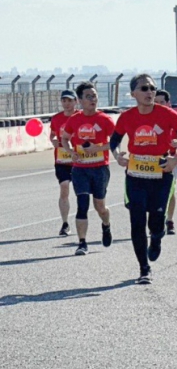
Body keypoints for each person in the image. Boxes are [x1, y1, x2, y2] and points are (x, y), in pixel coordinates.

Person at [110, 74, 177, 284]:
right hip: (136, 175)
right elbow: (114, 141)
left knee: (156, 223)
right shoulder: (127, 117)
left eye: (152, 88)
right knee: (137, 222)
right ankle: (144, 269)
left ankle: (157, 237)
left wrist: (176, 159)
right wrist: (117, 155)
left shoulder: (166, 114)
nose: (149, 92)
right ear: (133, 94)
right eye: (144, 88)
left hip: (161, 174)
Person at [60, 82, 116, 255]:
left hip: (100, 168)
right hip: (80, 168)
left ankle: (106, 225)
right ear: (80, 100)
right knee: (82, 204)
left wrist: (97, 149)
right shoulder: (74, 119)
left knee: (100, 206)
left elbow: (116, 141)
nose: (93, 99)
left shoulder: (104, 119)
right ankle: (82, 243)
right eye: (89, 96)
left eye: (95, 96)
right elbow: (64, 138)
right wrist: (70, 151)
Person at [50, 89, 77, 236]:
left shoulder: (81, 117)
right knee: (64, 188)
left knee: (82, 193)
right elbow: (53, 134)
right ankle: (65, 223)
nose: (66, 104)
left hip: (80, 161)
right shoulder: (56, 119)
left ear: (75, 102)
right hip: (61, 160)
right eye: (64, 101)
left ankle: (82, 219)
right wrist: (53, 141)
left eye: (69, 101)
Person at [155, 89, 177, 234]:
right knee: (153, 193)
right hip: (151, 161)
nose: (159, 105)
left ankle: (169, 220)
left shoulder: (174, 118)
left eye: (162, 102)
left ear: (168, 103)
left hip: (170, 160)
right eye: (156, 102)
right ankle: (155, 220)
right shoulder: (149, 118)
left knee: (170, 192)